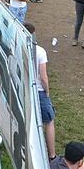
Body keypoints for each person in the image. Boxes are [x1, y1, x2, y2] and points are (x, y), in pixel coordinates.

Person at [23, 22, 56, 161]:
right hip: (38, 91)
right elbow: (43, 77)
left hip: (23, 87)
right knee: (49, 120)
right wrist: (47, 92)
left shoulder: (17, 46)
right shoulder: (40, 51)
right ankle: (52, 155)